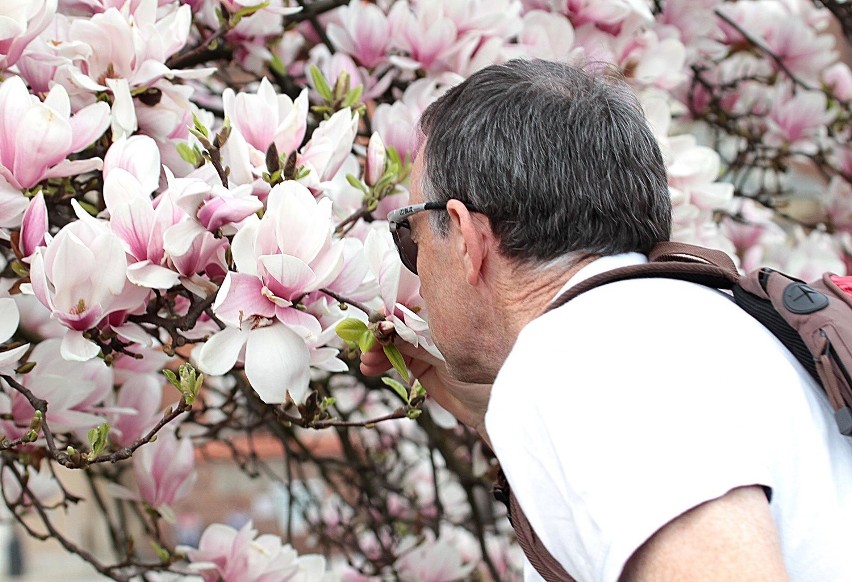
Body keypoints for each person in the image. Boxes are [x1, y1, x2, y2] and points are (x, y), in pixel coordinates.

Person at [361, 58, 852, 581]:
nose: (413, 267)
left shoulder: (587, 358)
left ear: (464, 236)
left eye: (410, 236)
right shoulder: (700, 324)